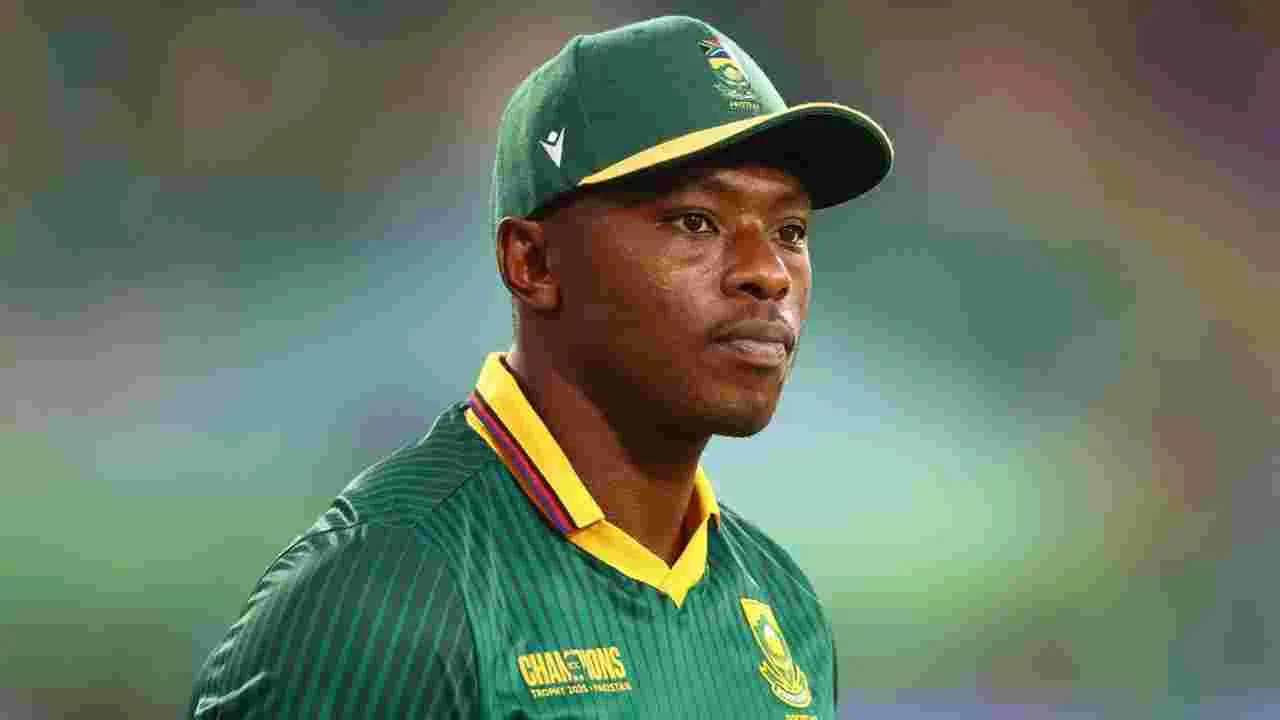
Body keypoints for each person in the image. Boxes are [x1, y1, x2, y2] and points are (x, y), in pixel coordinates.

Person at [187, 14, 891, 719]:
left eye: (790, 231)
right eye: (694, 221)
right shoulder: (382, 591)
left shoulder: (781, 602)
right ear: (533, 263)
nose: (768, 273)